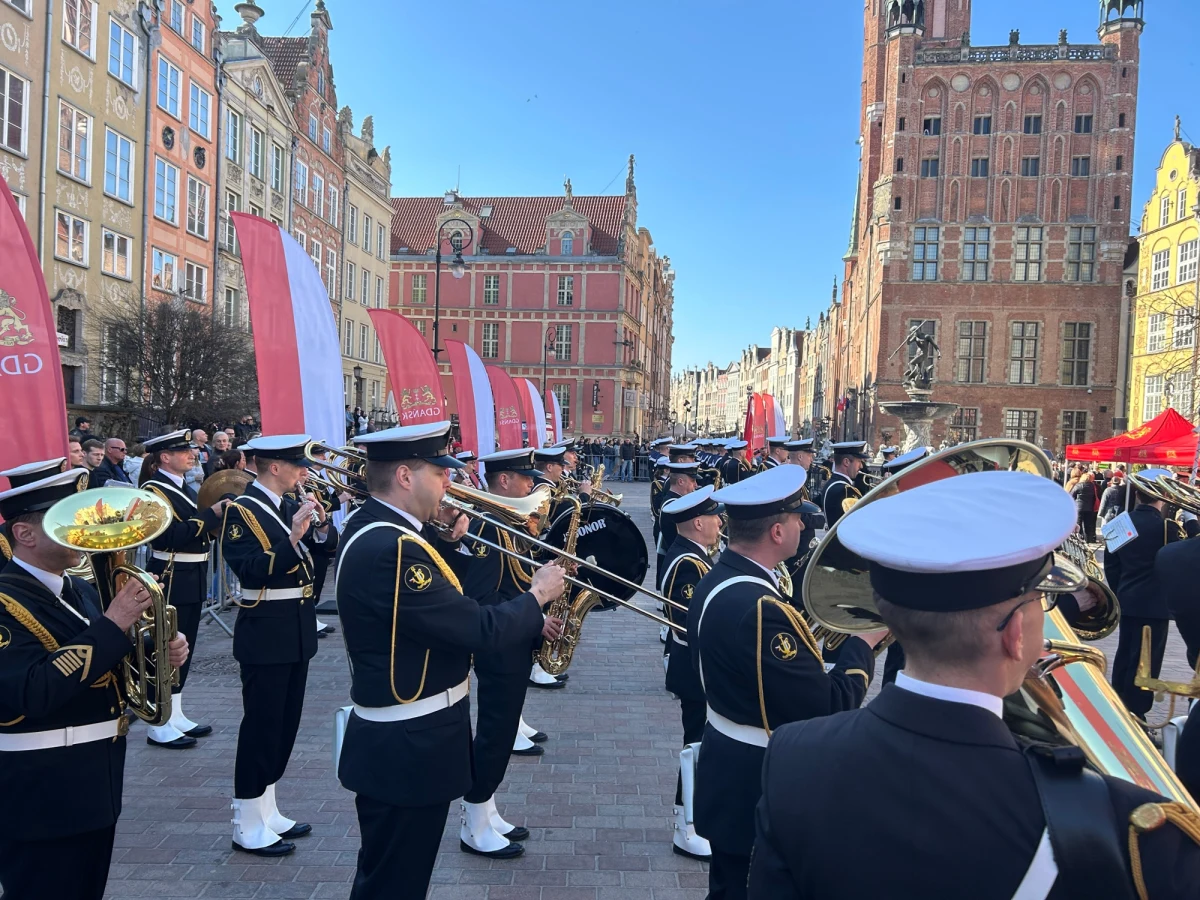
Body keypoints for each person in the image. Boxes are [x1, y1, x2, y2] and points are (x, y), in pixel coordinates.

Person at [748, 469, 1200, 899]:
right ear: (1016, 634)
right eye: (1040, 603)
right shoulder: (1126, 825)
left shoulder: (793, 757)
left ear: (886, 616)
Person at [336, 423, 563, 898]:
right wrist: (537, 595)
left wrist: (450, 543)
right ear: (404, 475)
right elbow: (474, 628)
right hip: (409, 745)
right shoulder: (394, 549)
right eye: (439, 472)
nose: (449, 483)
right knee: (395, 882)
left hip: (404, 739)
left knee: (393, 874)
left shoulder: (388, 533)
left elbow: (423, 611)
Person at [690, 465, 884, 899]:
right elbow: (829, 707)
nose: (803, 525)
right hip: (755, 782)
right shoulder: (761, 607)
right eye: (799, 518)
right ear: (778, 531)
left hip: (727, 766)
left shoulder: (720, 580)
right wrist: (862, 644)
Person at [0, 464, 189, 900]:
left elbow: (109, 670)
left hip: (94, 781)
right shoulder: (6, 600)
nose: (83, 528)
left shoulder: (80, 590)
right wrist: (115, 621)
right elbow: (34, 689)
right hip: (41, 793)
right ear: (25, 534)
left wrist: (161, 650)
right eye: (65, 517)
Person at [220, 434, 339, 856]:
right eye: (297, 464)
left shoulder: (286, 505)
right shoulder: (242, 510)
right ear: (273, 467)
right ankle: (246, 819)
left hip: (295, 626)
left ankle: (267, 808)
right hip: (266, 627)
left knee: (285, 724)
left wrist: (320, 527)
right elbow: (251, 570)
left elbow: (322, 554)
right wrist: (291, 540)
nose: (304, 472)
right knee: (261, 725)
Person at [458, 448, 565, 855]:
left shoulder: (507, 524)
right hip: (500, 647)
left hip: (513, 642)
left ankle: (485, 809)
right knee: (494, 735)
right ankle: (474, 819)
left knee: (500, 736)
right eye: (525, 479)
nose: (531, 486)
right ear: (503, 481)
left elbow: (515, 585)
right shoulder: (490, 528)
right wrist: (535, 615)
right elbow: (484, 597)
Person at [138, 430, 228, 748]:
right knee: (165, 647)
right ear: (164, 457)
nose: (191, 455)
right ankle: (157, 723)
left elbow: (194, 530)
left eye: (191, 450)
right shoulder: (154, 491)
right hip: (171, 575)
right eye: (183, 451)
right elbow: (168, 536)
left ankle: (175, 713)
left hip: (190, 575)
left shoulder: (181, 487)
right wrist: (210, 515)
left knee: (183, 648)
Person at [660, 487, 723, 861]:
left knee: (701, 744)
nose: (719, 523)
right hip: (695, 671)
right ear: (698, 522)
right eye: (714, 517)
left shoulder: (694, 556)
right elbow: (687, 625)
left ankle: (691, 820)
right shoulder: (689, 564)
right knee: (697, 747)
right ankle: (688, 825)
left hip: (696, 670)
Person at [1104, 468, 1185, 721]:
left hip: (1127, 598)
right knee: (1148, 659)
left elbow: (1111, 566)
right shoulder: (1167, 527)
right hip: (1156, 604)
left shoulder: (1119, 524)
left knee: (1125, 652)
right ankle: (1138, 710)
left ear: (1137, 495)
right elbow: (1179, 565)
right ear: (1161, 495)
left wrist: (1121, 591)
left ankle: (1117, 701)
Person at [655, 462, 700, 587]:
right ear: (681, 482)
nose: (695, 485)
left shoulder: (676, 502)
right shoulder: (675, 506)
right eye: (692, 481)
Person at [820, 441, 869, 529]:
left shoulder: (832, 483)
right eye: (859, 461)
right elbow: (861, 521)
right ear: (846, 462)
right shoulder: (845, 489)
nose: (861, 466)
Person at [1072, 471, 1100, 543]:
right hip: (1089, 508)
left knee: (1078, 523)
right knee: (1088, 525)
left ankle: (1078, 540)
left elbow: (1072, 495)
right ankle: (1088, 540)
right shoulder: (1093, 486)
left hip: (1079, 507)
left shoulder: (1078, 485)